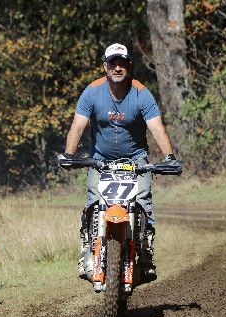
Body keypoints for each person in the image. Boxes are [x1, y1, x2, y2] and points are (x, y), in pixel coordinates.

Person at [61, 43, 179, 281]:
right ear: (105, 67)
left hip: (136, 161)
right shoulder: (92, 92)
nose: (117, 68)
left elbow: (156, 128)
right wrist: (69, 155)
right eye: (112, 63)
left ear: (129, 66)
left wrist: (169, 158)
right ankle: (86, 253)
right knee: (93, 204)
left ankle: (145, 256)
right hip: (100, 162)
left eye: (122, 63)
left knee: (143, 202)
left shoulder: (141, 93)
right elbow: (78, 125)